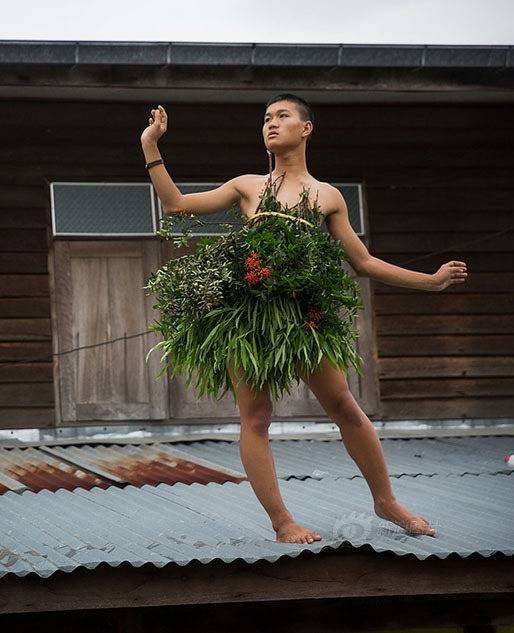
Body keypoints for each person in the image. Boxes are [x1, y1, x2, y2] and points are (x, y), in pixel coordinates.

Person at [140, 94, 468, 544]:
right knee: (255, 418)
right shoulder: (247, 186)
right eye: (265, 118)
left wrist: (430, 281)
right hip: (249, 318)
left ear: (306, 128)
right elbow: (176, 205)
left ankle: (386, 501)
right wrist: (150, 144)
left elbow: (365, 263)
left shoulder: (327, 196)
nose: (270, 124)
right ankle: (282, 522)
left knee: (345, 407)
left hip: (304, 315)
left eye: (282, 116)